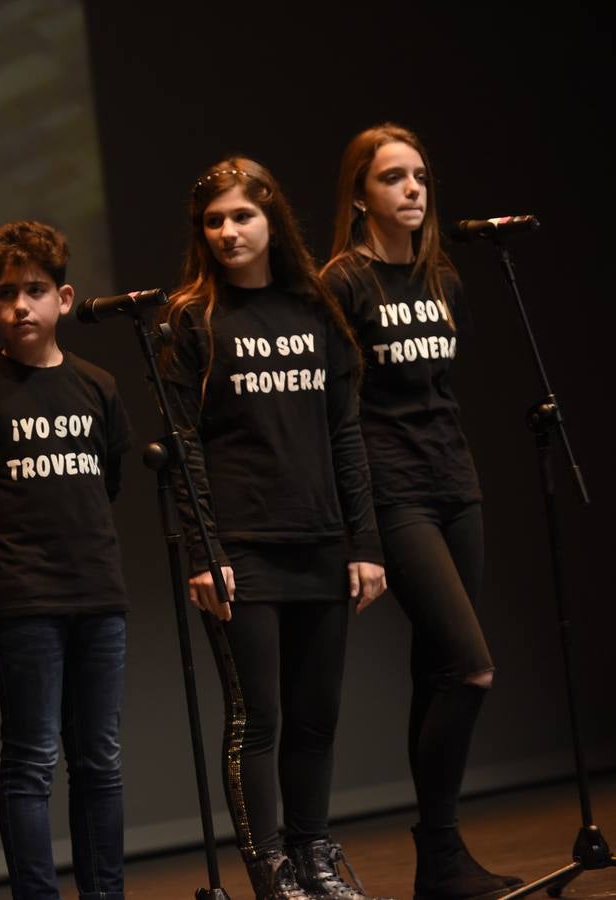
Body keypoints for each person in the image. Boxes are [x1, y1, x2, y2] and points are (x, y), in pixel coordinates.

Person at [160, 158, 388, 900]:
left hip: (321, 543)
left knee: (315, 718)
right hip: (241, 552)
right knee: (257, 718)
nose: (228, 232)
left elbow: (345, 435)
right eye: (214, 220)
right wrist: (204, 551)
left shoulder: (316, 309)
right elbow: (184, 443)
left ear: (272, 221)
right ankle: (272, 872)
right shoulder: (192, 318)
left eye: (242, 217)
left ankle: (314, 854)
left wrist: (365, 544)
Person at [322, 123, 521, 899]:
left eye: (420, 177)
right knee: (472, 666)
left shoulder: (444, 279)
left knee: (439, 669)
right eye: (393, 178)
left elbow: (445, 394)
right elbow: (339, 414)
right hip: (392, 491)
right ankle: (437, 848)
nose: (412, 190)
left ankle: (440, 865)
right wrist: (357, 527)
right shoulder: (343, 284)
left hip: (455, 485)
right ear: (360, 194)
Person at [0, 220, 131, 900]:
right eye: (8, 293)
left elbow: (108, 478)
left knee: (99, 759)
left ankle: (105, 892)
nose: (23, 305)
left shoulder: (98, 387)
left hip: (99, 596)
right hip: (21, 603)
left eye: (37, 290)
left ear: (65, 299)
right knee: (31, 760)